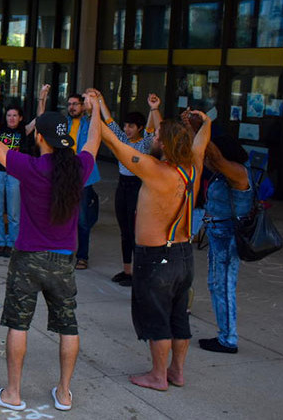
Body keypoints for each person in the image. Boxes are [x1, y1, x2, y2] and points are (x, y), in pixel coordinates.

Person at [0, 88, 101, 412]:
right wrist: (96, 110)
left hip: (27, 259)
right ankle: (64, 393)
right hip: (63, 259)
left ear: (39, 136)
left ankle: (13, 392)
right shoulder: (79, 167)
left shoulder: (29, 166)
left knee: (18, 324)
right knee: (68, 326)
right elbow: (94, 141)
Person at [100, 108, 211, 391]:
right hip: (184, 254)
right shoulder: (194, 167)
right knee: (178, 316)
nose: (152, 136)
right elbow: (201, 142)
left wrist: (94, 119)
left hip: (155, 258)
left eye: (157, 135)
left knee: (157, 318)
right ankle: (177, 372)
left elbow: (115, 144)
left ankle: (158, 375)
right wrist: (205, 123)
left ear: (164, 143)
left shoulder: (154, 169)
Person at [96, 91, 157, 286]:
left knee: (135, 230)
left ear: (139, 127)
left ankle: (138, 271)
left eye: (131, 126)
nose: (127, 129)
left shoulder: (145, 143)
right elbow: (109, 122)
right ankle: (127, 270)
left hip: (137, 186)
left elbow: (151, 127)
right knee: (124, 230)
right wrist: (101, 100)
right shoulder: (122, 139)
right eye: (126, 125)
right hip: (122, 184)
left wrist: (153, 108)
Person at [199, 134, 252, 354]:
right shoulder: (222, 174)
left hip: (227, 236)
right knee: (216, 284)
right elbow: (210, 160)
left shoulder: (238, 172)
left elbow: (217, 160)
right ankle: (225, 335)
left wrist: (207, 131)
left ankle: (229, 339)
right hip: (218, 234)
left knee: (224, 286)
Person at [0, 84, 45, 257]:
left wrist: (42, 97)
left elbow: (39, 119)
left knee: (13, 213)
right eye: (9, 115)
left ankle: (12, 243)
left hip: (15, 174)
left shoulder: (24, 131)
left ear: (20, 118)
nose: (11, 118)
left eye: (14, 116)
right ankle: (0, 242)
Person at [66, 94, 101, 270]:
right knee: (64, 217)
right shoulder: (63, 123)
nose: (71, 107)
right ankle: (65, 253)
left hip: (84, 178)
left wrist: (92, 105)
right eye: (69, 104)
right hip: (64, 177)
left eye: (75, 104)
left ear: (82, 106)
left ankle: (82, 256)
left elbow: (97, 123)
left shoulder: (89, 123)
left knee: (82, 220)